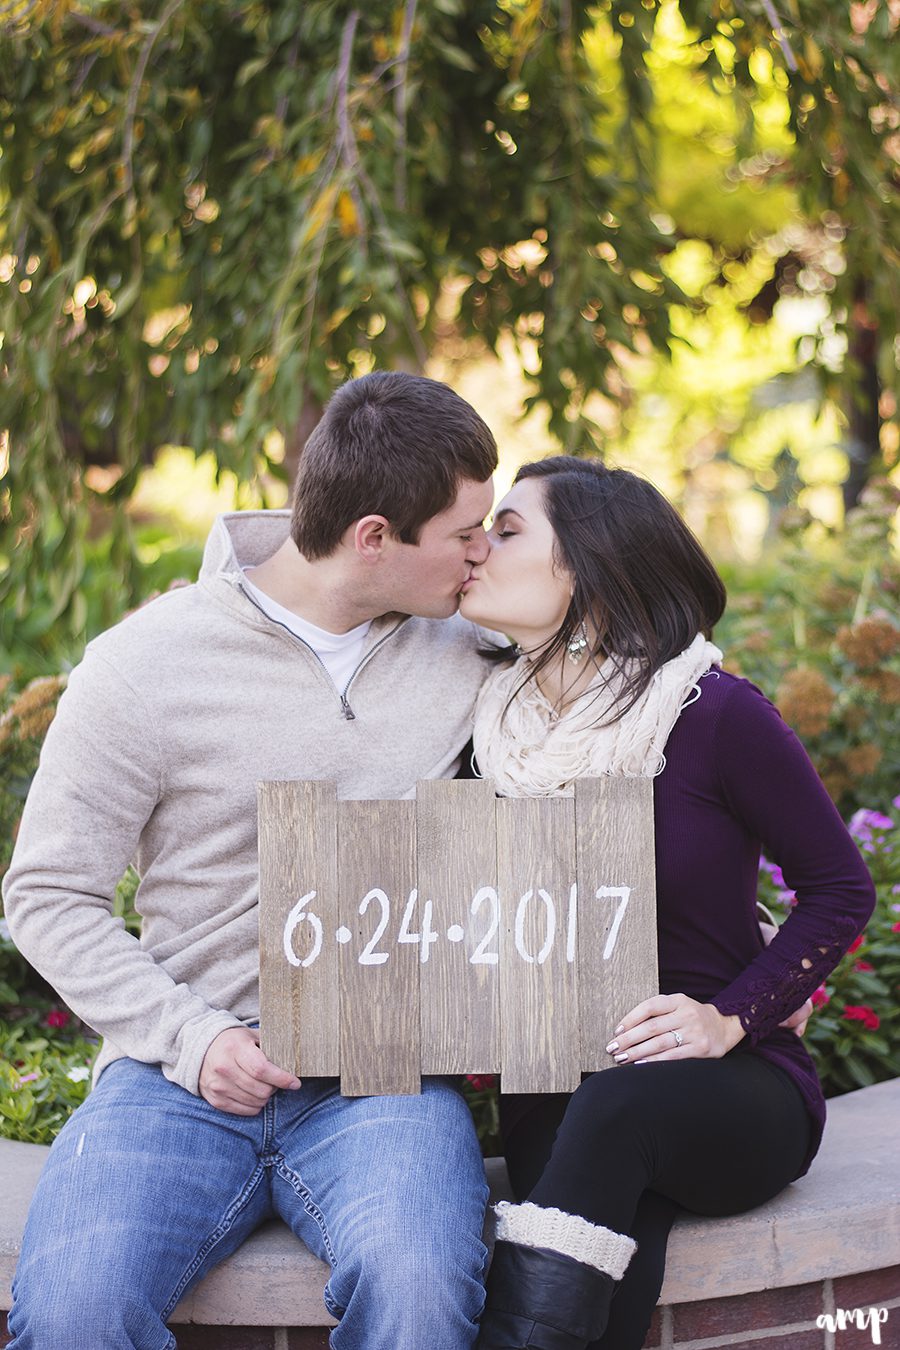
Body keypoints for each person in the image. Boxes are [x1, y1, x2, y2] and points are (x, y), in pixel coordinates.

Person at [3, 370, 501, 1350]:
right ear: (373, 538)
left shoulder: (478, 644)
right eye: (466, 533)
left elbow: (624, 759)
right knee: (72, 1313)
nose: (486, 552)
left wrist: (755, 956)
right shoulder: (144, 668)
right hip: (177, 1077)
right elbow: (48, 895)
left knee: (423, 1287)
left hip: (382, 1074)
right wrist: (192, 1040)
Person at [457, 456, 876, 1350]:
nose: (476, 549)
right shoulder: (484, 733)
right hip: (558, 1090)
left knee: (619, 1110)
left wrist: (732, 1015)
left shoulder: (712, 713)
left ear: (587, 565)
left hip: (732, 1087)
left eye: (507, 528)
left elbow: (841, 887)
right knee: (614, 1218)